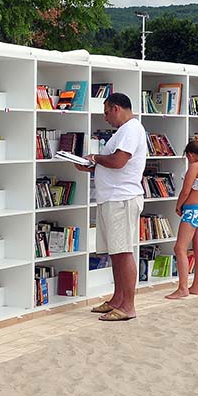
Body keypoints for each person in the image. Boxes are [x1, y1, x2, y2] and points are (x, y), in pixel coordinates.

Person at [75, 92, 147, 321]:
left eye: (107, 113)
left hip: (121, 199)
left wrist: (95, 158)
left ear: (116, 108)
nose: (105, 118)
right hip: (112, 198)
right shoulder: (123, 131)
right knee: (116, 253)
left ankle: (128, 306)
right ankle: (117, 299)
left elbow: (118, 161)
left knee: (123, 252)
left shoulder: (131, 129)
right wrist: (92, 166)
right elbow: (113, 163)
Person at [165, 140, 198, 299]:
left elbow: (185, 191)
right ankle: (196, 285)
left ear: (190, 154)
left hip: (192, 210)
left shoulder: (194, 167)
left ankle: (182, 288)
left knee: (180, 248)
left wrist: (178, 206)